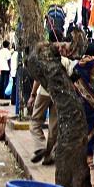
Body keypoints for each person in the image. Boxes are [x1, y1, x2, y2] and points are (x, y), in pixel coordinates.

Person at [28, 34, 73, 165]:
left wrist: (32, 94)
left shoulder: (44, 58)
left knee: (35, 122)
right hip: (58, 95)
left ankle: (41, 147)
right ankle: (48, 154)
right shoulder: (65, 60)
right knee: (54, 127)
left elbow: (37, 78)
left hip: (44, 92)